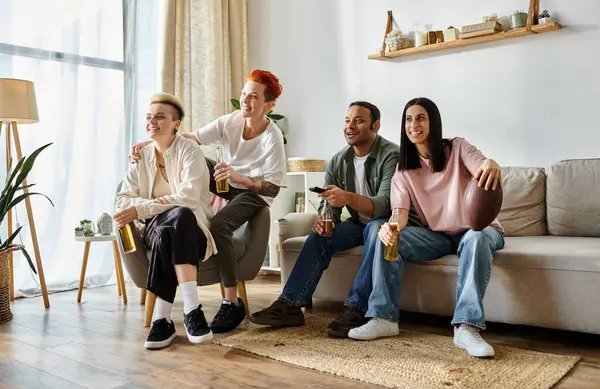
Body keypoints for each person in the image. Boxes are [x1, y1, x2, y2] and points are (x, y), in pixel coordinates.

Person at [346, 97, 504, 359]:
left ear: (433, 122)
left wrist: (491, 163)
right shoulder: (404, 170)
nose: (413, 124)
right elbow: (400, 213)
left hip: (478, 230)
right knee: (385, 236)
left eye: (421, 117)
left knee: (476, 238)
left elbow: (484, 166)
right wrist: (391, 227)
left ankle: (466, 327)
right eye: (408, 119)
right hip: (438, 236)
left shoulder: (457, 148)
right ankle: (383, 317)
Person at [130, 70, 287, 333]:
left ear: (269, 105)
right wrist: (151, 142)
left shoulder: (272, 138)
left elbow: (272, 187)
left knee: (219, 226)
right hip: (226, 182)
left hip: (254, 193)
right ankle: (176, 214)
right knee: (197, 157)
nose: (245, 101)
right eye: (243, 94)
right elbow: (188, 137)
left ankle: (232, 302)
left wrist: (242, 178)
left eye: (254, 97)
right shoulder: (231, 121)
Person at [250, 101, 419, 338]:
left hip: (386, 224)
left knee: (373, 229)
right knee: (318, 237)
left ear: (376, 126)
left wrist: (347, 197)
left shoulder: (392, 155)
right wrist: (324, 219)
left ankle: (355, 308)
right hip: (358, 224)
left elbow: (384, 205)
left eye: (359, 121)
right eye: (347, 120)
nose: (350, 126)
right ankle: (290, 304)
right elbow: (329, 206)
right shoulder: (338, 160)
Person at [115, 92, 218, 350]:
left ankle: (162, 319)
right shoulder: (141, 157)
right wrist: (147, 210)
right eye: (149, 117)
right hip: (155, 228)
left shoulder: (190, 151)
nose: (152, 121)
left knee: (179, 217)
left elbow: (189, 198)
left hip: (191, 229)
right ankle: (192, 311)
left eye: (160, 117)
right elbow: (122, 200)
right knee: (168, 224)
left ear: (176, 124)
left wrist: (142, 209)